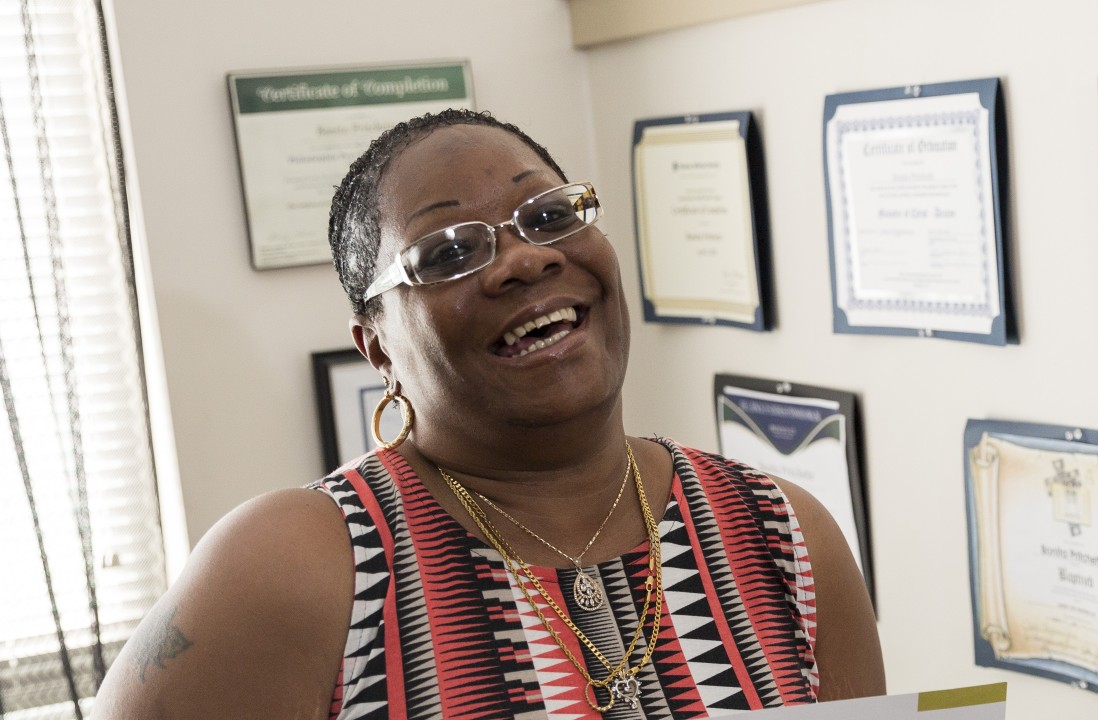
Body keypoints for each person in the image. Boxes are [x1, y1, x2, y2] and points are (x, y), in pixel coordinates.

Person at [92, 109, 884, 719]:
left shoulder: (780, 529)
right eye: (446, 253)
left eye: (549, 215)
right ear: (377, 348)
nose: (528, 258)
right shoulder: (295, 565)